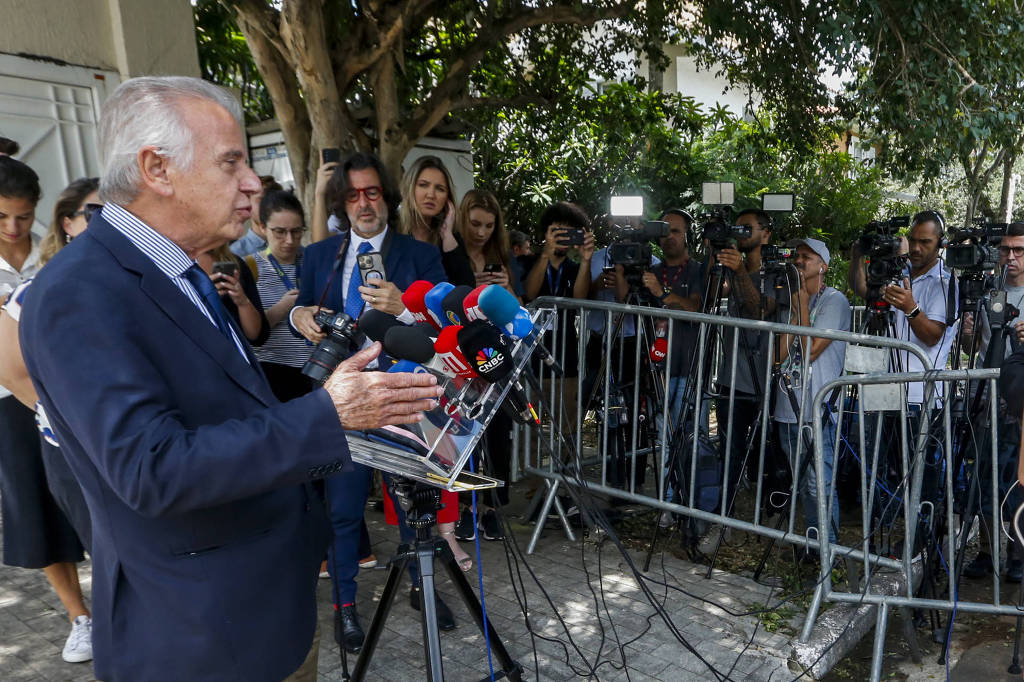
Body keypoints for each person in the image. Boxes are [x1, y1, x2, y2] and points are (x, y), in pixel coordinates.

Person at [18, 76, 440, 682]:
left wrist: (325, 392)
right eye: (231, 162)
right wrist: (329, 415)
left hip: (267, 607)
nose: (252, 183)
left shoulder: (185, 269)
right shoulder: (78, 293)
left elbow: (222, 395)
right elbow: (151, 468)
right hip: (200, 636)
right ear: (156, 169)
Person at [289, 151, 452, 653]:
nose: (364, 203)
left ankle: (423, 587)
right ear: (343, 202)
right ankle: (344, 606)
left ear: (387, 196)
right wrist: (299, 315)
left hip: (402, 395)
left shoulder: (420, 254)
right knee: (342, 511)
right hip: (342, 401)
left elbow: (442, 330)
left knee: (413, 508)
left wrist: (406, 307)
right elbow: (303, 306)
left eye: (372, 192)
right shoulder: (319, 255)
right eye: (354, 194)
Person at [0, 164, 94, 664]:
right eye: (2, 217)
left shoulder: (51, 252)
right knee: (35, 510)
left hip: (68, 399)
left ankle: (125, 602)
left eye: (22, 216)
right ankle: (80, 617)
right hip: (7, 401)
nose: (13, 228)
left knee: (90, 501)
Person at [958, 223, 1024, 580]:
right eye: (1005, 249)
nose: (1011, 257)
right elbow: (971, 348)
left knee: (1018, 480)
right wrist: (968, 332)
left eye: (1019, 250)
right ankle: (985, 550)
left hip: (1020, 399)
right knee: (983, 477)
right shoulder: (987, 290)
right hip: (986, 395)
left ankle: (1018, 553)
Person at [773, 238, 850, 547]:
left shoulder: (835, 300)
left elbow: (810, 352)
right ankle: (812, 542)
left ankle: (826, 549)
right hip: (787, 406)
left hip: (817, 408)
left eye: (807, 256)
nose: (799, 261)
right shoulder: (789, 300)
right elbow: (780, 356)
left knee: (820, 484)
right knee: (803, 484)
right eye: (797, 256)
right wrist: (794, 310)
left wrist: (803, 306)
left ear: (823, 266)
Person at [450, 189, 515, 543]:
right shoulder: (451, 253)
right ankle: (464, 509)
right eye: (475, 224)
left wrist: (504, 290)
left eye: (489, 225)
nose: (481, 232)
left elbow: (518, 311)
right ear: (462, 219)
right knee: (463, 434)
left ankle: (492, 509)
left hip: (495, 357)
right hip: (459, 358)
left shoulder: (499, 256)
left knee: (497, 432)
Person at [711, 208, 779, 511]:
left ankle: (769, 509)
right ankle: (724, 512)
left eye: (746, 228)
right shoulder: (730, 266)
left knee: (768, 452)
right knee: (729, 451)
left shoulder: (779, 272)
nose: (740, 234)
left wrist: (739, 272)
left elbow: (760, 311)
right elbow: (709, 299)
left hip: (767, 378)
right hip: (732, 378)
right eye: (736, 229)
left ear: (766, 233)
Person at [522, 202, 596, 426]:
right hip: (529, 362)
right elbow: (529, 294)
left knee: (569, 427)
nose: (564, 236)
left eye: (570, 230)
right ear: (546, 231)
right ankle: (527, 465)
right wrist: (545, 255)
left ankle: (567, 463)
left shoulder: (575, 268)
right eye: (558, 230)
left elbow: (580, 300)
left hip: (566, 361)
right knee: (527, 433)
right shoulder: (527, 262)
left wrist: (586, 260)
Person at [250, 189, 313, 401]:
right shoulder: (250, 267)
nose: (289, 240)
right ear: (261, 228)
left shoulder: (312, 260)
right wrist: (283, 307)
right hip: (273, 370)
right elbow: (250, 333)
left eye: (296, 231)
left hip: (317, 368)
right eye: (279, 232)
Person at [398, 155, 476, 286]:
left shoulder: (451, 239)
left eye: (440, 189)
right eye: (423, 185)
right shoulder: (392, 230)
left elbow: (466, 288)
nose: (431, 195)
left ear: (447, 198)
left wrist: (447, 237)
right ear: (409, 188)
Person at [197, 243, 269, 344]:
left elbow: (256, 337)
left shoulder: (234, 263)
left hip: (233, 352)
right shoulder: (176, 265)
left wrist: (242, 302)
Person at [230, 174, 281, 257]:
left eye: (275, 200)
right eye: (262, 200)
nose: (270, 205)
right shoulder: (236, 254)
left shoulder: (297, 251)